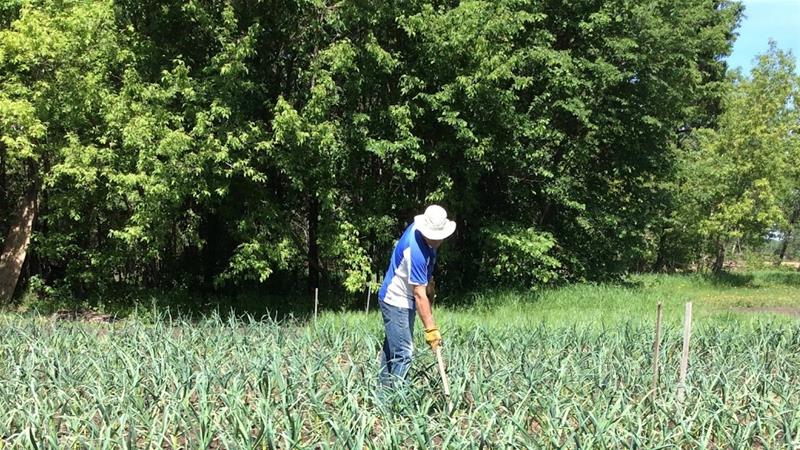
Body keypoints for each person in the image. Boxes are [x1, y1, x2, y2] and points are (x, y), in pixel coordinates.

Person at [377, 204, 456, 387]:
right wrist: (431, 330)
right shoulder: (416, 250)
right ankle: (396, 403)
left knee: (393, 349)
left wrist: (430, 285)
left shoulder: (429, 240)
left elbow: (424, 283)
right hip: (396, 299)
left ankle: (382, 397)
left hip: (407, 297)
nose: (438, 240)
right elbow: (419, 293)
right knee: (404, 353)